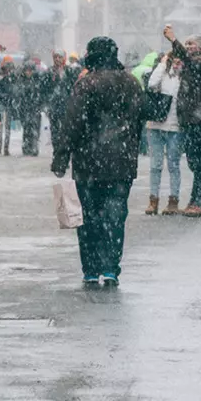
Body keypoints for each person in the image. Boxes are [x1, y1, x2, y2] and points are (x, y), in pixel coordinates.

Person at [52, 37, 144, 287]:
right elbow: (139, 119)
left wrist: (61, 154)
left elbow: (73, 122)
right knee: (115, 216)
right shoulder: (131, 83)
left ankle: (91, 269)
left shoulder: (86, 84)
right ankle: (111, 267)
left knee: (89, 216)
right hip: (122, 163)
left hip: (88, 162)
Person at [164, 25, 201, 217]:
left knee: (200, 162)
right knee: (194, 162)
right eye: (187, 44)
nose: (188, 47)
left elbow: (186, 58)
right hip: (190, 120)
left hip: (198, 120)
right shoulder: (191, 64)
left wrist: (173, 40)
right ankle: (196, 200)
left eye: (191, 44)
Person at [146, 51, 184, 215]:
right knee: (155, 166)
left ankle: (173, 201)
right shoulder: (162, 74)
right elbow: (151, 85)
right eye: (173, 61)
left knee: (173, 165)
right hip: (155, 125)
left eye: (179, 62)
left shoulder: (185, 78)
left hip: (175, 128)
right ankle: (153, 200)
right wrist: (162, 64)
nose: (176, 65)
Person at [46, 50, 75, 154]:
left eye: (60, 57)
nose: (57, 59)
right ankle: (56, 153)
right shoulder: (50, 72)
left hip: (66, 106)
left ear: (64, 58)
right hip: (53, 106)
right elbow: (45, 89)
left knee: (65, 132)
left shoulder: (69, 71)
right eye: (56, 57)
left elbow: (74, 87)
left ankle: (63, 155)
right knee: (54, 132)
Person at [16, 60, 45, 156]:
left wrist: (40, 105)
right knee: (27, 128)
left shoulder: (37, 81)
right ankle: (26, 147)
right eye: (26, 71)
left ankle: (34, 147)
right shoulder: (22, 81)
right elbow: (19, 95)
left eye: (30, 70)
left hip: (34, 108)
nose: (28, 73)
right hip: (25, 108)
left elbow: (40, 95)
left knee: (35, 129)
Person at [0, 57, 16, 155]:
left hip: (8, 103)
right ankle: (0, 147)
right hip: (2, 103)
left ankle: (5, 148)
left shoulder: (12, 76)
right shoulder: (0, 75)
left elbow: (15, 89)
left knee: (6, 127)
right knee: (1, 127)